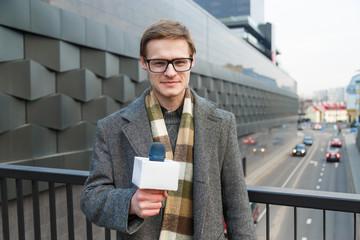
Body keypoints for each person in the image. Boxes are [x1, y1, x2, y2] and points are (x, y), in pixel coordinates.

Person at [80, 19, 257, 240]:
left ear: (192, 61)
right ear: (144, 63)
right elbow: (91, 197)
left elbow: (237, 207)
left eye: (180, 62)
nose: (171, 72)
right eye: (159, 62)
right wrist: (131, 202)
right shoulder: (111, 128)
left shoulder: (222, 123)